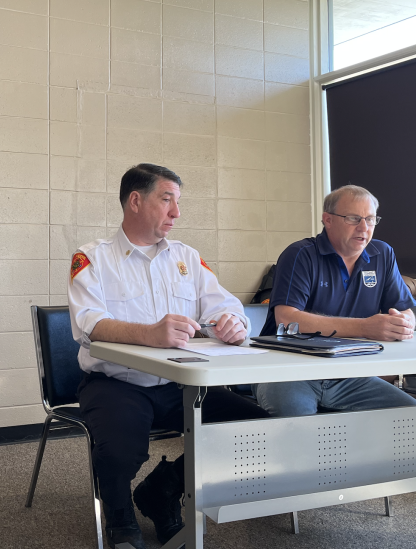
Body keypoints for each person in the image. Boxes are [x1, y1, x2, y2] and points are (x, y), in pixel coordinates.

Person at [68, 163, 268, 549]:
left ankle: (162, 489)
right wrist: (149, 334)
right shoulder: (93, 258)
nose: (177, 212)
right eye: (167, 200)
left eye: (178, 201)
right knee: (119, 451)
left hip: (182, 383)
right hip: (118, 383)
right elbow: (89, 324)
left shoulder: (187, 257)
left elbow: (224, 305)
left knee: (255, 429)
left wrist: (232, 323)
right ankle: (120, 515)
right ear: (136, 201)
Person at [252, 184, 416, 416]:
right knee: (297, 425)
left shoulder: (382, 254)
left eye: (370, 219)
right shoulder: (300, 254)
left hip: (349, 376)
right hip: (288, 372)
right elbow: (287, 319)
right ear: (328, 220)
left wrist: (402, 324)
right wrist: (365, 327)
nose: (364, 227)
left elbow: (405, 310)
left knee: (414, 417)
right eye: (354, 218)